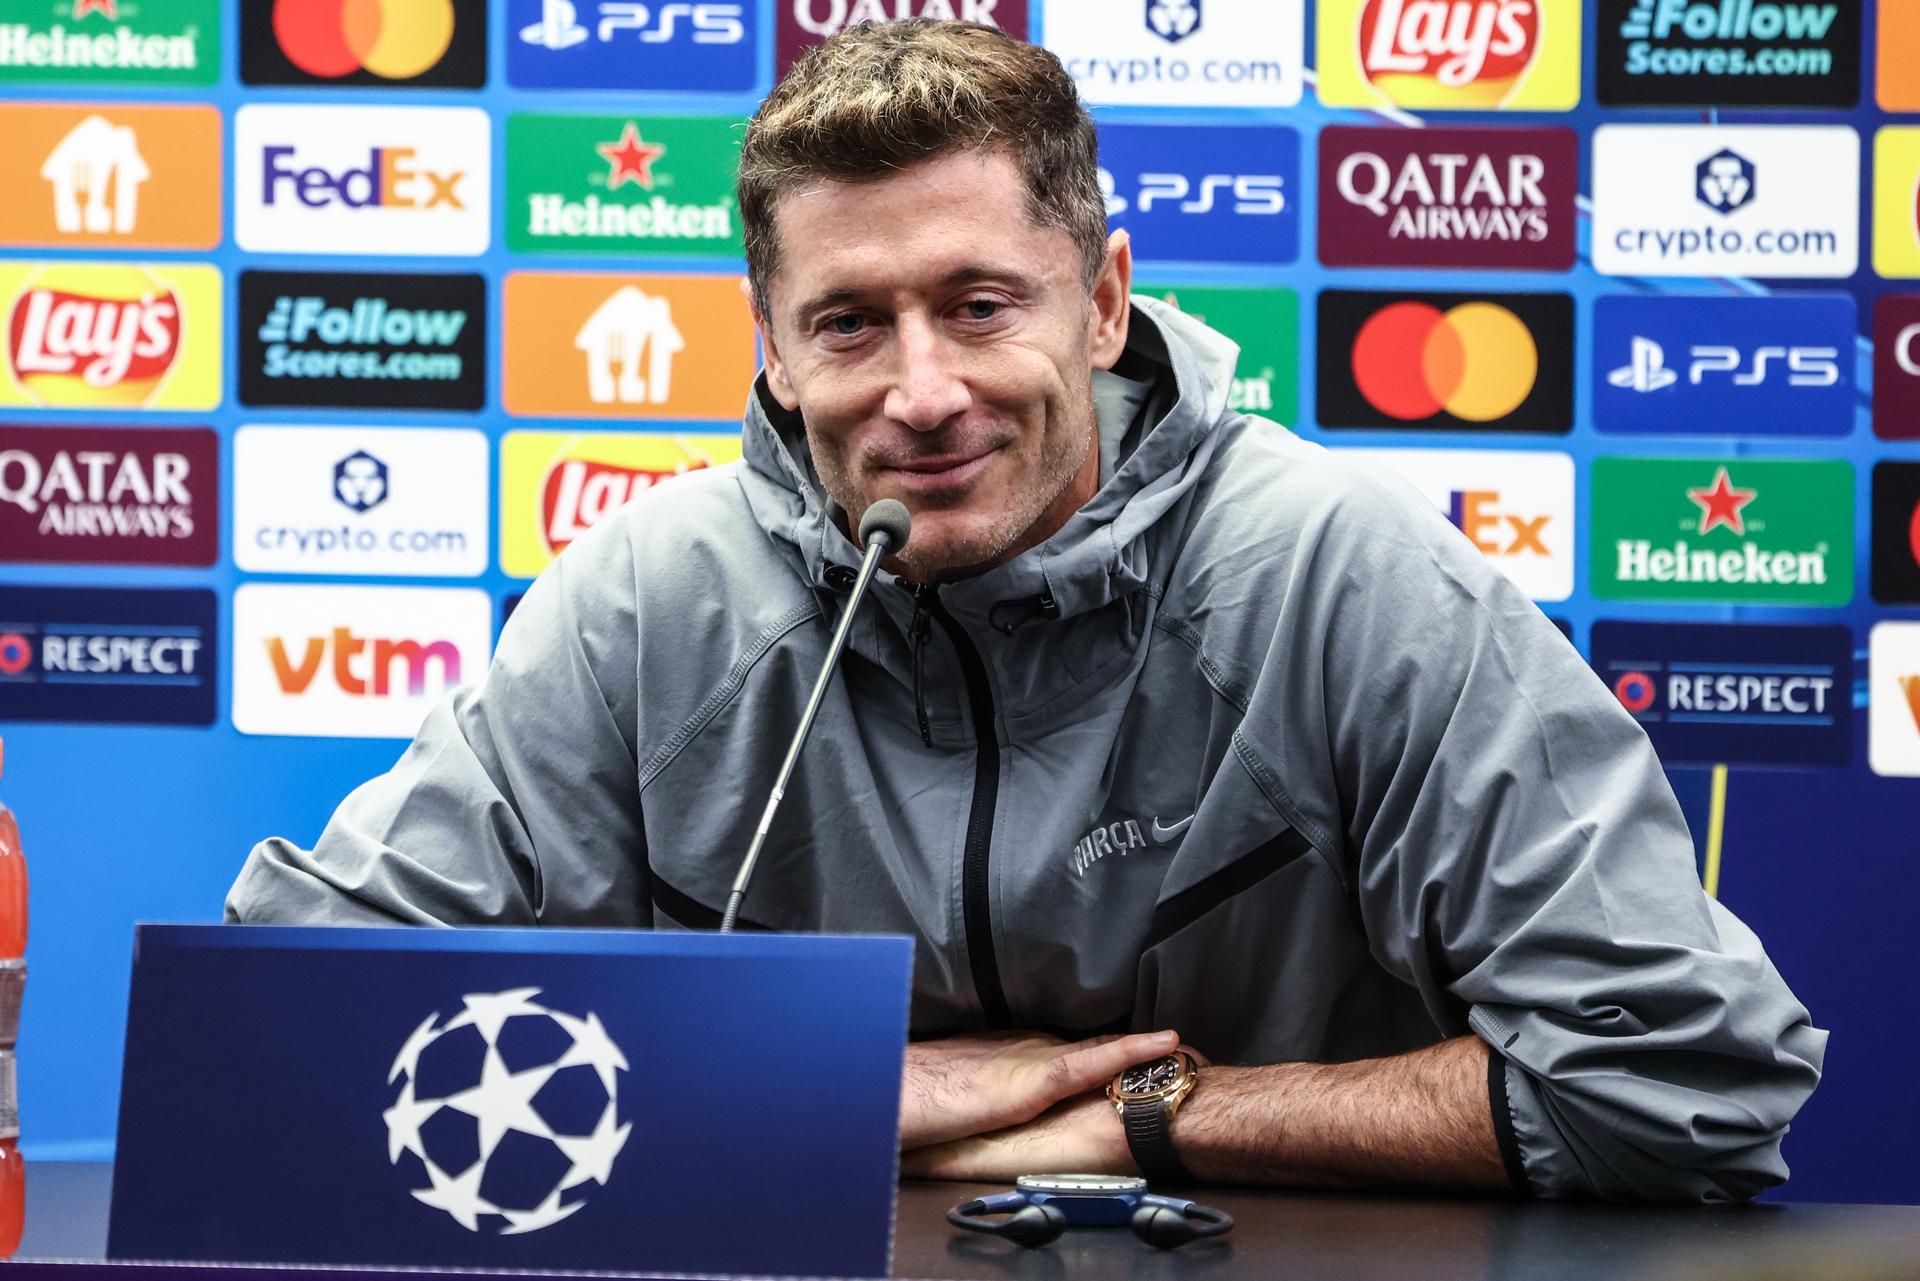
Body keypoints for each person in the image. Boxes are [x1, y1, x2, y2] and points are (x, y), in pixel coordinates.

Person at [227, 20, 1825, 1200]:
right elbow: (275, 1024)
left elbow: (1688, 1079)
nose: (923, 393)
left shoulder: (1346, 576)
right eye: (850, 324)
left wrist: (1143, 1119)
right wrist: (841, 1084)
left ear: (1106, 297)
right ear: (771, 350)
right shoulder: (650, 603)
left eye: (982, 306)